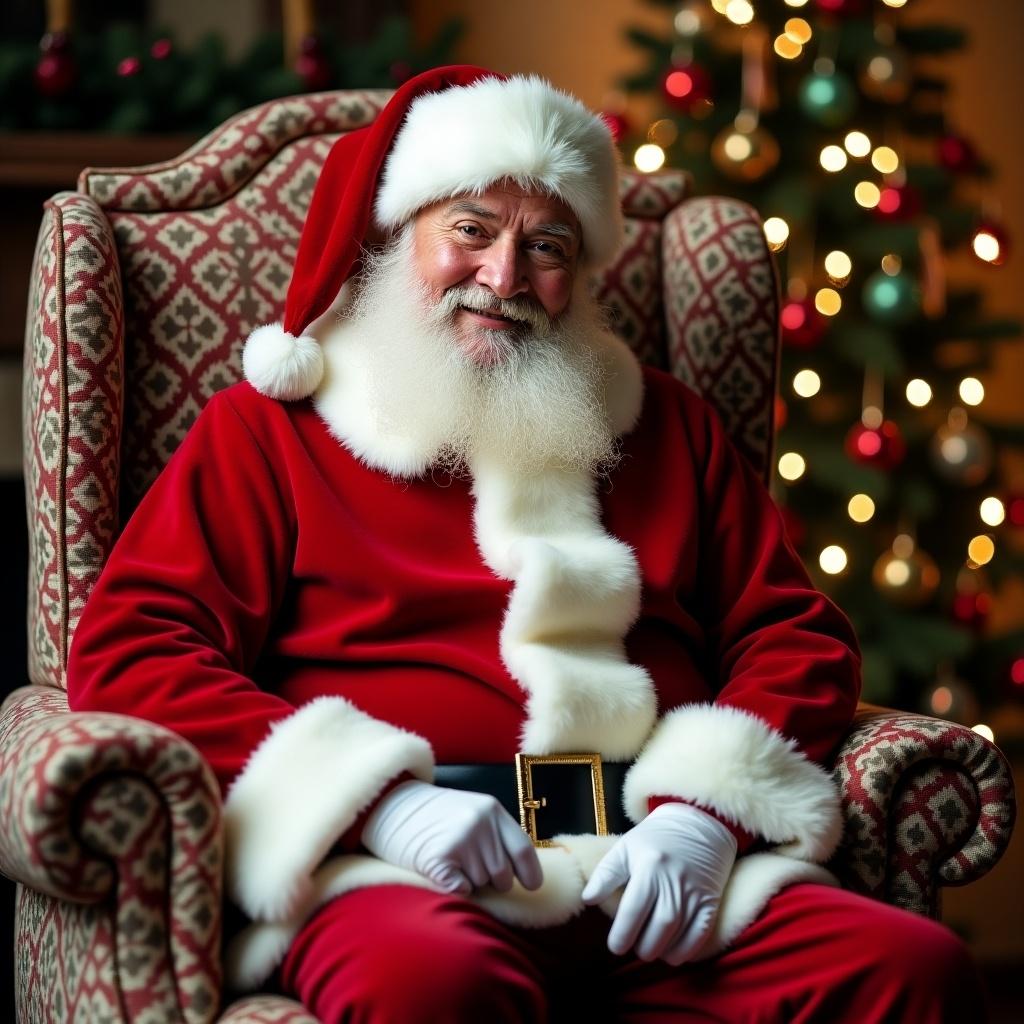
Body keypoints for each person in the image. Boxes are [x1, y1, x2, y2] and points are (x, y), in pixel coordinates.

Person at [66, 65, 984, 1022]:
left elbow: (792, 638)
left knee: (912, 971)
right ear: (396, 233)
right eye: (470, 230)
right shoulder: (267, 433)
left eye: (546, 246)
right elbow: (134, 650)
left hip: (654, 872)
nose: (504, 278)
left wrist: (706, 817)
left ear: (578, 272)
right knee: (432, 990)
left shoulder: (669, 428)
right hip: (396, 872)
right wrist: (379, 802)